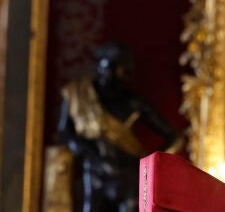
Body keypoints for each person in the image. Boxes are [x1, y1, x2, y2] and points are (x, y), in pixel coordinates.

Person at [56, 40, 179, 212]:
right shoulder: (78, 95)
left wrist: (149, 167)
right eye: (106, 68)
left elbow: (174, 137)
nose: (108, 74)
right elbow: (64, 133)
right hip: (95, 174)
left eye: (116, 70)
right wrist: (89, 154)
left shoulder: (133, 103)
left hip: (129, 179)